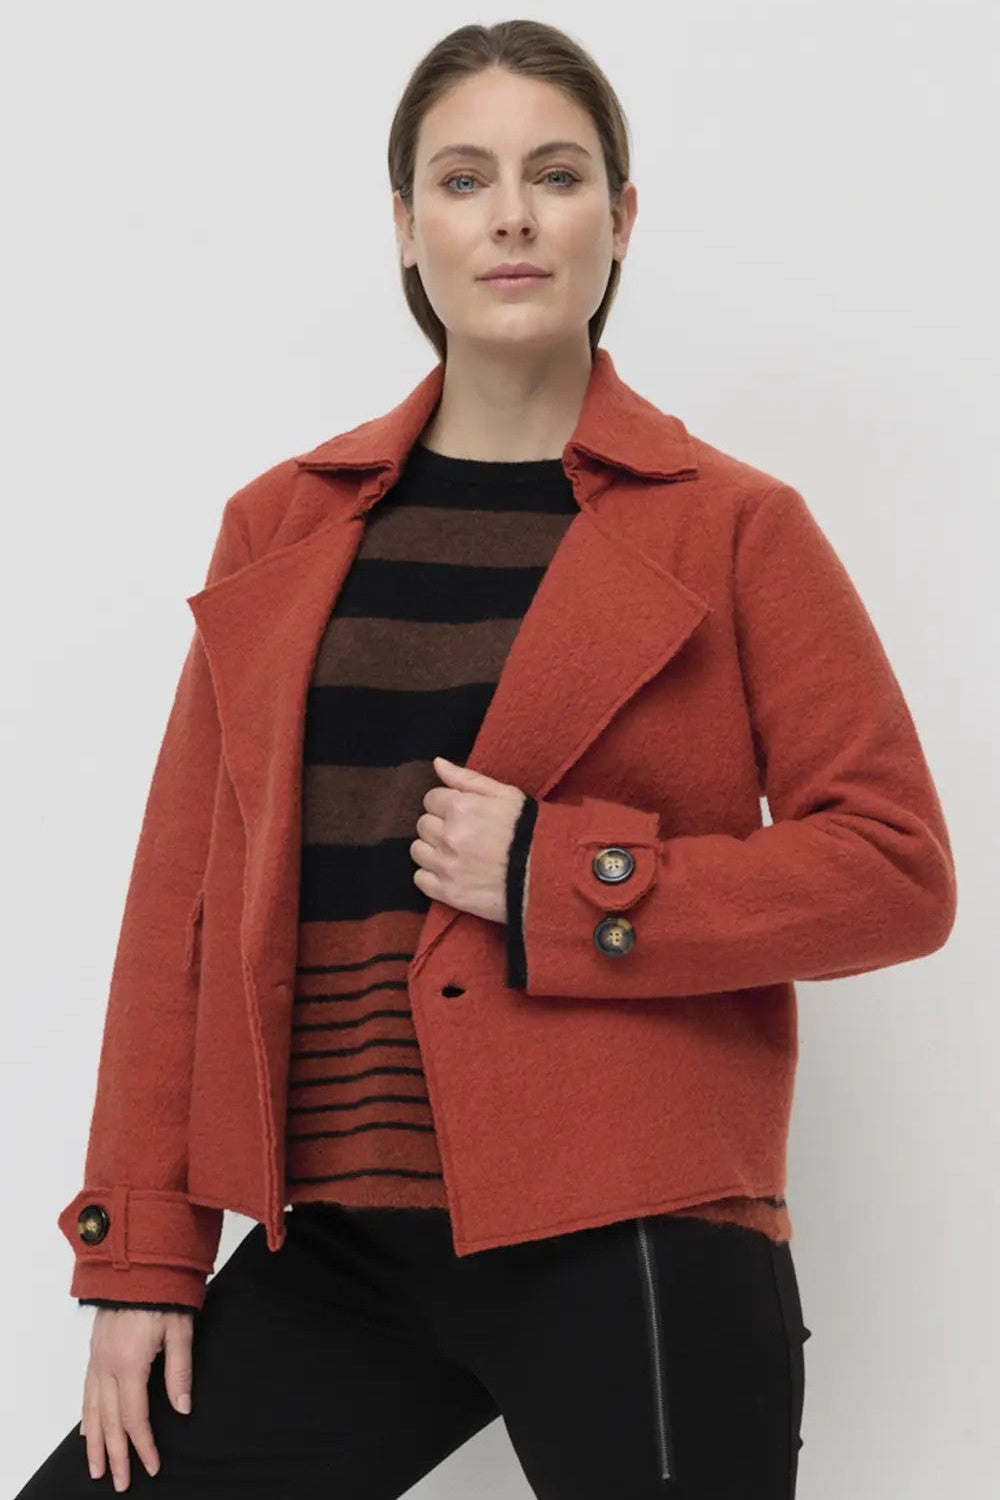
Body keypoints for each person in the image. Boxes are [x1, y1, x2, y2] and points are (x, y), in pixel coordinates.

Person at [17, 18, 956, 1500]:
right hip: (335, 1247)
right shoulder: (285, 523)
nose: (511, 213)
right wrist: (141, 1252)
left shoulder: (733, 526)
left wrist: (568, 878)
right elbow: (179, 912)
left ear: (619, 217)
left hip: (636, 1229)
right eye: (464, 178)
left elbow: (897, 871)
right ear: (407, 224)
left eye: (557, 173)